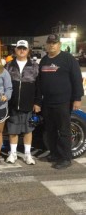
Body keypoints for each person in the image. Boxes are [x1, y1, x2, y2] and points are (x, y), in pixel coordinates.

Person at [38, 34, 84, 169]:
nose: (52, 45)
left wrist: (77, 98)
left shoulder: (68, 59)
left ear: (59, 44)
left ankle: (65, 158)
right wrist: (38, 101)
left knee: (64, 130)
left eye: (54, 43)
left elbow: (77, 79)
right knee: (50, 130)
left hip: (63, 101)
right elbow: (40, 82)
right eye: (50, 43)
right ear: (46, 45)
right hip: (47, 102)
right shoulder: (44, 60)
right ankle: (54, 154)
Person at [5, 40, 41, 165]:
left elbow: (39, 87)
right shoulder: (9, 66)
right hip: (13, 104)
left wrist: (37, 103)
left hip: (28, 104)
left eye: (24, 48)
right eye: (19, 48)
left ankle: (27, 154)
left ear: (28, 50)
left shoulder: (35, 66)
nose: (21, 50)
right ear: (15, 50)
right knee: (13, 130)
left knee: (28, 130)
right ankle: (13, 153)